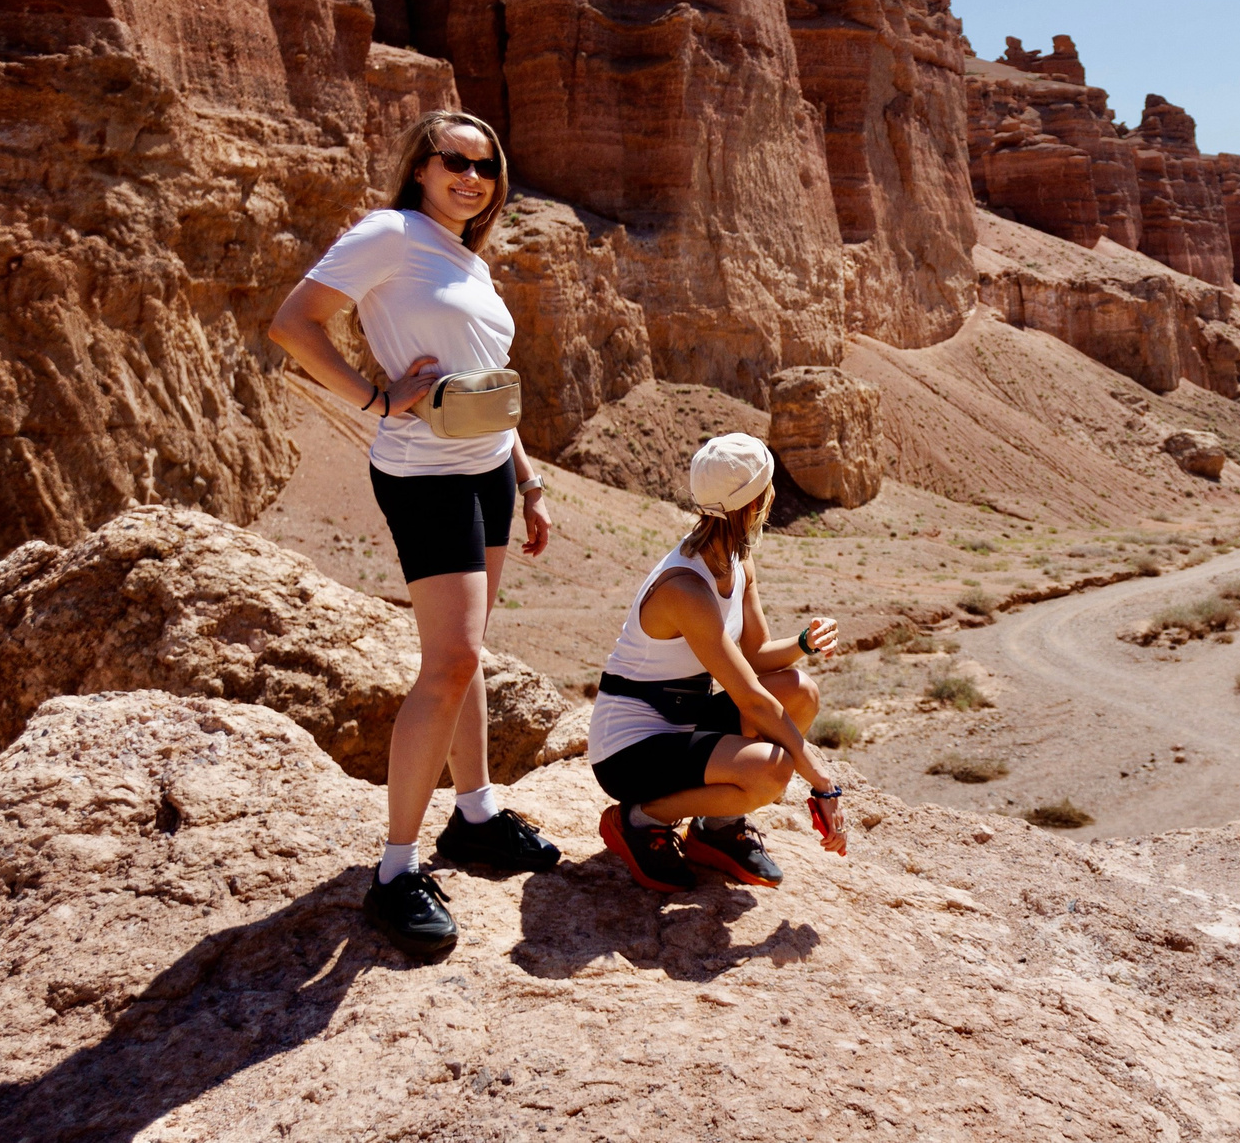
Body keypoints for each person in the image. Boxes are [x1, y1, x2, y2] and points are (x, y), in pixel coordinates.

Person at [270, 110, 560, 960]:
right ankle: (394, 872)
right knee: (451, 662)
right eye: (456, 161)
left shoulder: (465, 255)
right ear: (422, 167)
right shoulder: (390, 233)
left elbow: (488, 382)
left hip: (484, 468)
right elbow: (295, 322)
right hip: (424, 470)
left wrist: (528, 479)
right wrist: (373, 397)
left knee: (467, 653)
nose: (474, 176)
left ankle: (474, 817)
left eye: (488, 165)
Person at [589, 432, 849, 892]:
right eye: (769, 487)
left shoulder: (737, 559)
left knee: (799, 690)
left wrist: (803, 643)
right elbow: (750, 697)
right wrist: (822, 781)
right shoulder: (685, 589)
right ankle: (637, 818)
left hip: (682, 724)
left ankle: (717, 829)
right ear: (755, 503)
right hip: (629, 751)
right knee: (771, 770)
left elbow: (755, 658)